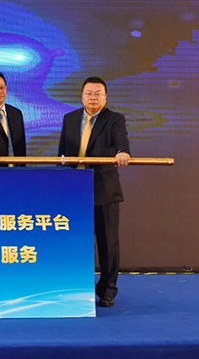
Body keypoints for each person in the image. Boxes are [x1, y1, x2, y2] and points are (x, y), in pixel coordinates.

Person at [58, 76, 131, 307]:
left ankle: (107, 290)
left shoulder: (115, 119)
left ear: (105, 97)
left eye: (98, 94)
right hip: (74, 190)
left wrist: (122, 152)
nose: (93, 97)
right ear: (82, 96)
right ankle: (78, 286)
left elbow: (121, 142)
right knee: (76, 241)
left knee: (108, 243)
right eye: (89, 93)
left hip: (104, 189)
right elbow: (62, 153)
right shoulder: (70, 118)